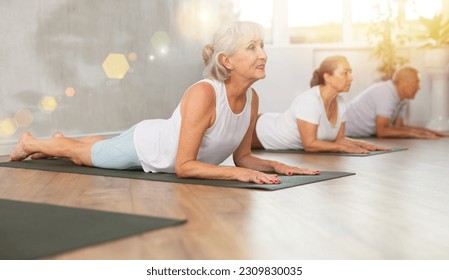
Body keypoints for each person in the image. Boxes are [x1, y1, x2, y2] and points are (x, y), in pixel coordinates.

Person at [9, 21, 319, 185]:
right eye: (252, 48)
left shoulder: (252, 98)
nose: (263, 54)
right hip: (146, 147)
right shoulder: (204, 94)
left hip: (154, 134)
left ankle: (62, 141)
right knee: (81, 156)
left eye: (262, 46)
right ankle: (30, 142)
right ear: (227, 60)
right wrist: (236, 175)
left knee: (95, 149)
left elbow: (244, 158)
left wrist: (278, 165)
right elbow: (184, 167)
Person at [252, 55, 387, 154]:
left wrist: (364, 145)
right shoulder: (310, 101)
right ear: (327, 77)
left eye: (350, 72)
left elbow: (339, 140)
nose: (351, 78)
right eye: (345, 73)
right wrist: (345, 148)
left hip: (269, 123)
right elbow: (310, 144)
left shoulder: (340, 102)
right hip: (258, 131)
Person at [345, 66, 447, 139]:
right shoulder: (385, 93)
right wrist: (414, 133)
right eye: (416, 82)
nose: (419, 87)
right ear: (403, 82)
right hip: (342, 132)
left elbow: (399, 127)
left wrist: (428, 131)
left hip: (356, 135)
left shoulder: (401, 98)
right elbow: (382, 131)